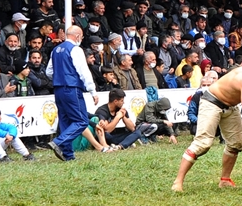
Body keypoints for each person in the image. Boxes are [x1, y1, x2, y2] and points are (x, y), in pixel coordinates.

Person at [171, 61, 242, 192]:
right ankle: (178, 182)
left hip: (230, 105)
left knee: (236, 144)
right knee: (202, 143)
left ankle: (225, 180)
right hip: (212, 102)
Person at [46, 25, 96, 161]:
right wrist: (92, 90)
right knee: (81, 120)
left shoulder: (55, 50)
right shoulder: (76, 49)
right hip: (72, 88)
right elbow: (83, 71)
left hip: (58, 88)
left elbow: (49, 72)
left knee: (65, 121)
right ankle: (59, 142)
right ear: (78, 36)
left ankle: (68, 155)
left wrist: (59, 77)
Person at [94, 89, 160, 150]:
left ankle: (120, 146)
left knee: (137, 132)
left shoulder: (120, 109)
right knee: (107, 135)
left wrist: (123, 117)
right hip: (104, 137)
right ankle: (126, 143)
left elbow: (132, 128)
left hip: (114, 135)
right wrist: (117, 117)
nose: (123, 102)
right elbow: (107, 130)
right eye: (122, 101)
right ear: (115, 101)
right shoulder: (102, 111)